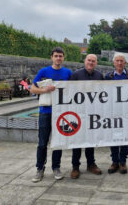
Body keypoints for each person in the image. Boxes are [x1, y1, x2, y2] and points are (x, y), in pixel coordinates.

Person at [30, 47, 72, 183]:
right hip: (46, 112)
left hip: (61, 113)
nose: (58, 58)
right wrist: (44, 89)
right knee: (42, 142)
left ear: (63, 58)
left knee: (57, 142)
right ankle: (39, 168)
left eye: (60, 56)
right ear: (51, 57)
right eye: (56, 56)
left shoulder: (68, 73)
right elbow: (32, 88)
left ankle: (56, 167)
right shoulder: (44, 71)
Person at [70, 54, 104, 179]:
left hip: (92, 113)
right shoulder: (76, 75)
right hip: (78, 113)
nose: (91, 62)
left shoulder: (99, 76)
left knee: (91, 140)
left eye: (93, 61)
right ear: (85, 61)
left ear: (96, 63)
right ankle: (75, 166)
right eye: (89, 60)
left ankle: (91, 164)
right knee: (77, 141)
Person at [105, 53, 128, 174]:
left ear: (125, 63)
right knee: (113, 136)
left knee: (125, 137)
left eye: (121, 61)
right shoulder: (108, 76)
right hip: (112, 111)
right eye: (117, 61)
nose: (119, 63)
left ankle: (123, 162)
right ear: (114, 63)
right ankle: (114, 161)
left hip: (126, 111)